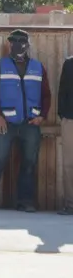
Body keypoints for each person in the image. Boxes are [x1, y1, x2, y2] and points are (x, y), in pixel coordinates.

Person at [0, 29, 51, 212]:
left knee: (29, 162)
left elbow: (46, 95)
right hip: (6, 123)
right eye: (13, 41)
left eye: (21, 41)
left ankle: (25, 201)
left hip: (30, 124)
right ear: (8, 44)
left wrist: (42, 115)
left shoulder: (37, 67)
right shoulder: (0, 65)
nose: (17, 44)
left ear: (27, 45)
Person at [60, 53, 73, 216]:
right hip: (70, 119)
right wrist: (62, 115)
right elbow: (62, 90)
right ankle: (71, 204)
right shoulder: (69, 63)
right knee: (69, 164)